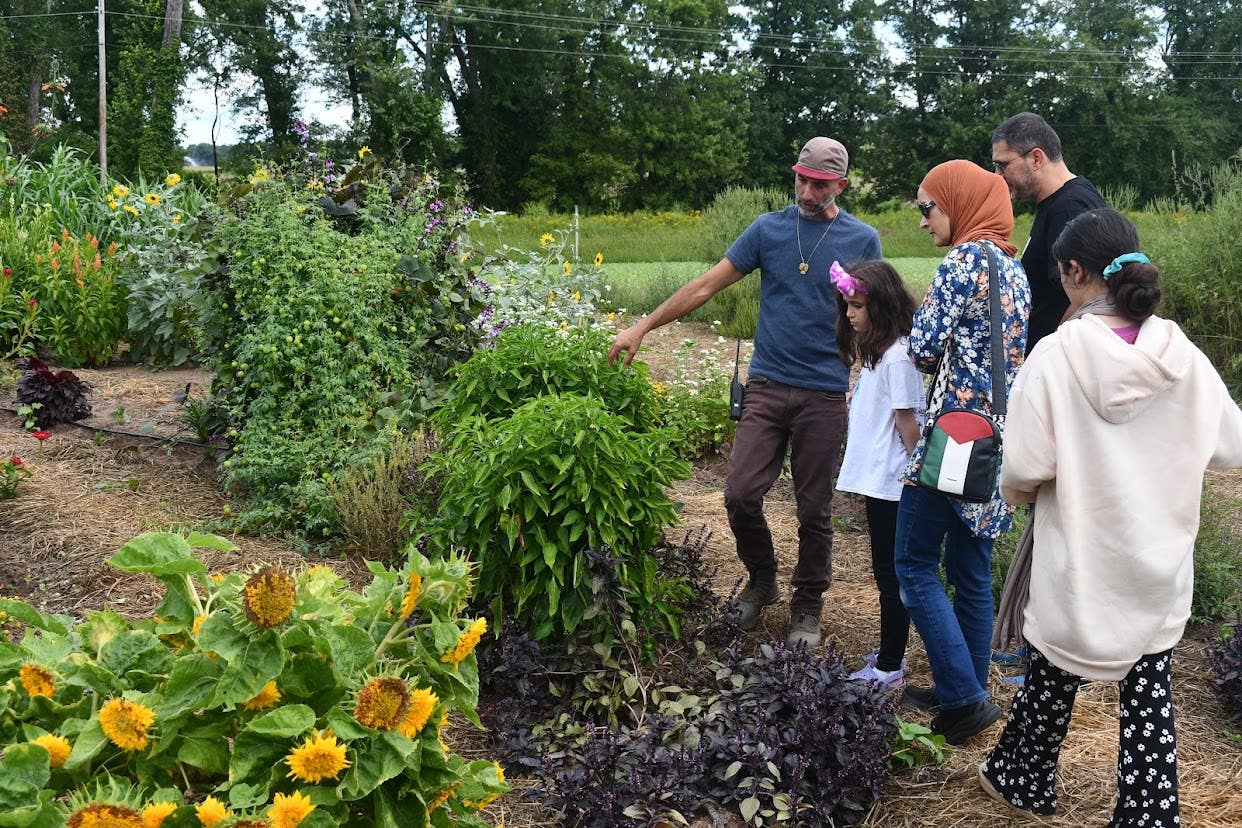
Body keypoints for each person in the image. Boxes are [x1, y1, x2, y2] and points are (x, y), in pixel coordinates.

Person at [978, 208, 1242, 825]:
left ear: (1073, 272)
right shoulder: (1182, 354)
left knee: (1052, 672)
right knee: (1148, 689)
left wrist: (1029, 487)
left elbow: (1022, 466)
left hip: (1079, 555)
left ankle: (1024, 780)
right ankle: (1148, 811)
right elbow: (1231, 446)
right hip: (1159, 558)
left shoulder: (1056, 355)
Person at [608, 137, 882, 648]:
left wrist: (867, 385)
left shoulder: (862, 239)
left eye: (818, 183)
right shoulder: (769, 229)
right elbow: (707, 286)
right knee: (739, 493)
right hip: (768, 384)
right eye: (800, 178)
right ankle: (762, 578)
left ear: (840, 185)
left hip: (824, 392)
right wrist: (642, 327)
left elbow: (875, 318)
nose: (805, 190)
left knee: (813, 507)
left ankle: (807, 604)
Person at [894, 160, 1031, 745]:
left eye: (928, 207)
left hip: (953, 438)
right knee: (972, 572)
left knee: (913, 563)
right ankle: (967, 686)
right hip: (999, 440)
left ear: (958, 200)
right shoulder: (1016, 267)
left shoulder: (962, 262)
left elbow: (922, 348)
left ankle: (965, 697)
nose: (924, 220)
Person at [829, 259, 923, 690]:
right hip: (880, 481)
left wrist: (917, 477)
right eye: (847, 304)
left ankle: (889, 665)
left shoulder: (898, 357)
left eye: (857, 306)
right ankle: (890, 651)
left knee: (891, 575)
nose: (850, 314)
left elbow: (909, 425)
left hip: (893, 484)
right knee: (886, 571)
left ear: (881, 307)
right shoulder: (878, 353)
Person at [992, 112, 1107, 354]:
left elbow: (1090, 296)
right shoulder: (1059, 203)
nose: (997, 176)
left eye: (1003, 165)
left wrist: (1050, 354)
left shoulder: (1070, 207)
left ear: (1036, 158)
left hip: (1058, 368)